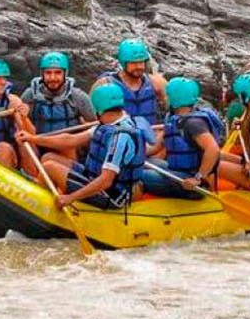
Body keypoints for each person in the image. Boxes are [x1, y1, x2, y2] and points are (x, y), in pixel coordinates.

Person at [18, 82, 146, 209]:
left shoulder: (120, 137)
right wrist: (33, 139)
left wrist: (71, 198)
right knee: (49, 158)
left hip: (113, 195)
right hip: (93, 178)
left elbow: (106, 181)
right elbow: (70, 140)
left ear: (99, 109)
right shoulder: (109, 123)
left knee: (49, 167)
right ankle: (48, 195)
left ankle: (40, 208)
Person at [142, 78, 225, 200]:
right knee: (147, 163)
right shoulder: (174, 120)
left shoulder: (193, 123)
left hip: (193, 186)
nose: (165, 98)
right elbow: (153, 148)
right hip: (179, 173)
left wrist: (198, 178)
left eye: (168, 96)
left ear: (175, 98)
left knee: (140, 175)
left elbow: (213, 149)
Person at [19, 51, 94, 173]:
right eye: (48, 73)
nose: (53, 78)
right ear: (42, 74)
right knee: (24, 142)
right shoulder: (29, 95)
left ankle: (70, 177)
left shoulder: (78, 97)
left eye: (58, 73)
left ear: (65, 74)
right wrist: (22, 116)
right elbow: (22, 129)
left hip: (67, 148)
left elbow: (94, 127)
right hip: (38, 144)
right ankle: (31, 179)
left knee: (67, 146)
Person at [93, 38, 167, 134]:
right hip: (120, 138)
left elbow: (178, 107)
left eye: (141, 62)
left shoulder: (156, 82)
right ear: (124, 63)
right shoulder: (105, 84)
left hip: (151, 136)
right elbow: (90, 116)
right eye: (134, 63)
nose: (139, 67)